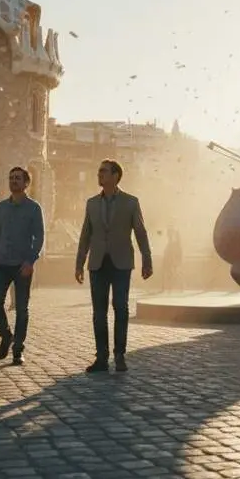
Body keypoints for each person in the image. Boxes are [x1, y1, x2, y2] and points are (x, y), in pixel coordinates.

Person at [75, 159, 153, 374]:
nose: (99, 175)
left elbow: (140, 232)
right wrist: (79, 263)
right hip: (98, 263)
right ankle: (101, 357)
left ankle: (120, 355)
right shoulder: (91, 203)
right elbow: (85, 235)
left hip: (121, 263)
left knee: (121, 308)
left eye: (104, 171)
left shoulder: (130, 202)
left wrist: (147, 259)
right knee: (99, 312)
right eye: (99, 171)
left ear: (116, 175)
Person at [0, 167, 45, 366]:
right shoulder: (1, 207)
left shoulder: (34, 208)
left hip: (23, 265)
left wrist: (31, 260)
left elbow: (39, 237)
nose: (13, 181)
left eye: (18, 178)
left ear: (26, 183)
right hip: (2, 263)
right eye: (11, 177)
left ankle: (18, 349)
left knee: (22, 309)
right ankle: (6, 335)